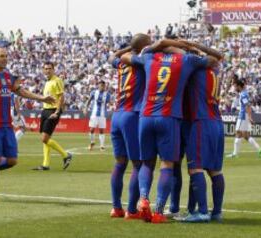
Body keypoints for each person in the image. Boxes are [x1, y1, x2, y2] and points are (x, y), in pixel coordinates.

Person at [122, 38, 219, 223]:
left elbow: (126, 57)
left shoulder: (149, 57)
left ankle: (143, 199)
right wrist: (188, 47)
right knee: (167, 164)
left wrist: (158, 45)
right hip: (169, 117)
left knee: (146, 163)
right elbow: (215, 59)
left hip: (146, 115)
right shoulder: (187, 60)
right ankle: (158, 211)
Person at [0, 47, 55, 202]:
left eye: (6, 56)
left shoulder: (8, 76)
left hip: (7, 125)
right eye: (1, 56)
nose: (5, 58)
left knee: (12, 161)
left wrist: (42, 99)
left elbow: (22, 92)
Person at [108, 35, 150, 219]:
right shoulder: (140, 62)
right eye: (148, 43)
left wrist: (126, 50)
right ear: (143, 46)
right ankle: (131, 211)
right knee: (138, 164)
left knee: (120, 163)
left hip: (116, 115)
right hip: (131, 115)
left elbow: (110, 58)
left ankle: (116, 207)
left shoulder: (121, 64)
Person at [33, 62, 73, 171]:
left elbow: (61, 97)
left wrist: (57, 111)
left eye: (50, 68)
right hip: (45, 110)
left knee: (44, 138)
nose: (47, 70)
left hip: (53, 110)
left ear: (53, 69)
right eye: (45, 69)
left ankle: (65, 155)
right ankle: (45, 164)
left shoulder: (57, 80)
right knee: (46, 139)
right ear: (43, 70)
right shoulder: (47, 82)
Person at [226, 77, 261, 159]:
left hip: (242, 116)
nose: (235, 88)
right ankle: (259, 148)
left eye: (236, 86)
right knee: (245, 135)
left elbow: (247, 106)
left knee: (238, 133)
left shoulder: (243, 95)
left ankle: (235, 154)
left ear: (239, 86)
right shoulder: (244, 93)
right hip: (245, 116)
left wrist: (250, 117)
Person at [84, 81, 111, 151]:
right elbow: (89, 100)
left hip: (102, 115)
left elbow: (110, 102)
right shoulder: (94, 92)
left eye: (103, 86)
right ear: (98, 86)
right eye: (101, 85)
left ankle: (102, 146)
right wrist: (85, 108)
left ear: (105, 86)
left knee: (101, 130)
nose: (102, 87)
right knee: (91, 129)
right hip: (94, 114)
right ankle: (92, 142)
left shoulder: (107, 94)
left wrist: (112, 104)